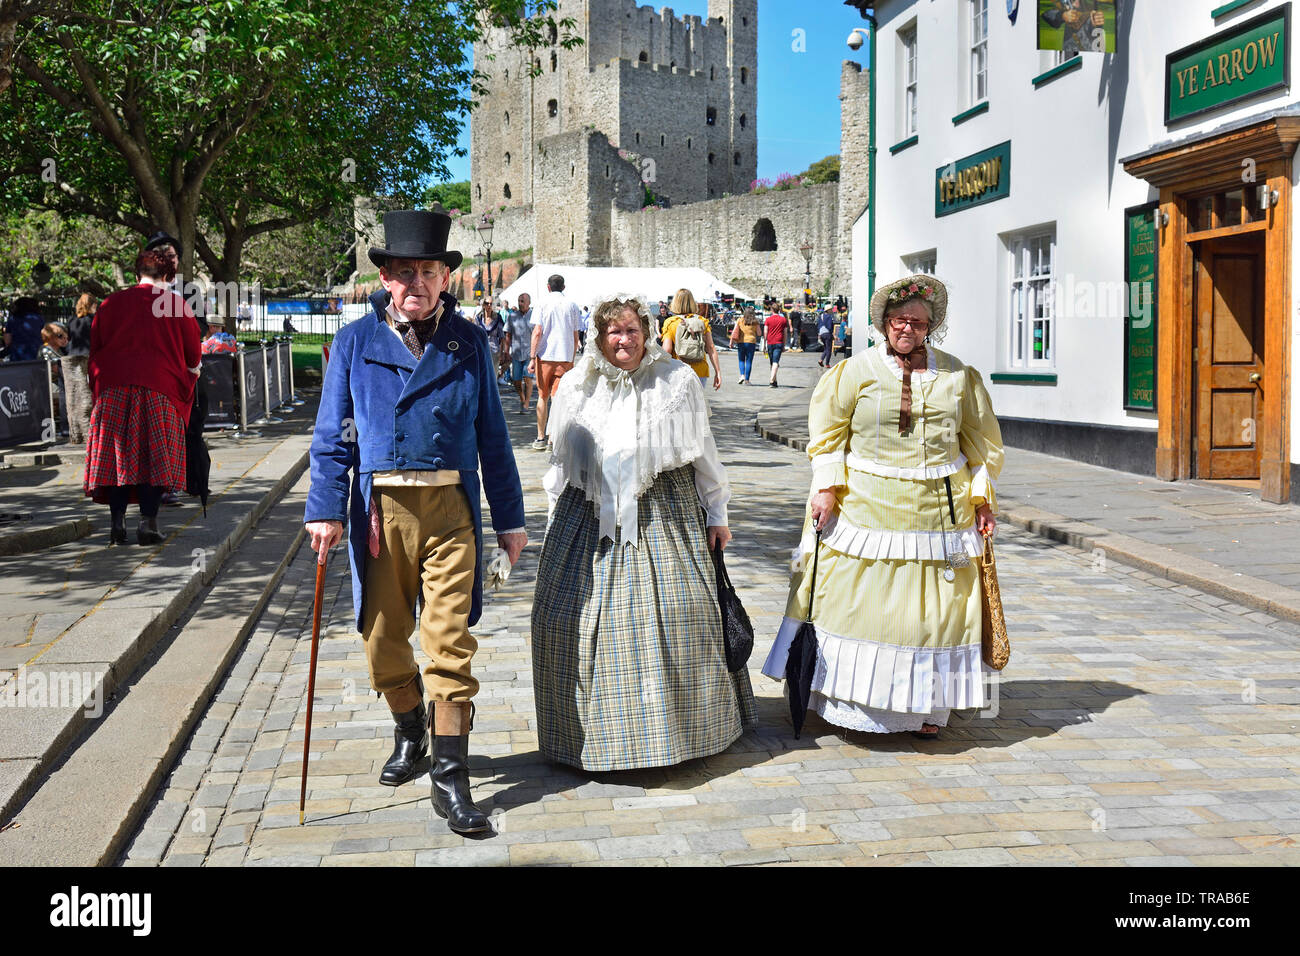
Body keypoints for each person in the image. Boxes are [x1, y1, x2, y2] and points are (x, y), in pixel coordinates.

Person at [303, 209, 526, 835]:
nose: (419, 283)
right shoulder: (353, 343)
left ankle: (450, 779)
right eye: (407, 272)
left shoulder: (468, 342)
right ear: (387, 278)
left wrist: (508, 517)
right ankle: (410, 728)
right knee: (381, 642)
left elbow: (493, 436)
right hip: (380, 512)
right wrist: (323, 508)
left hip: (452, 509)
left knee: (448, 644)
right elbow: (331, 440)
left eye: (430, 271)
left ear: (444, 277)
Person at [761, 274, 1004, 739]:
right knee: (865, 607)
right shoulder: (854, 372)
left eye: (915, 321)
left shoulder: (958, 376)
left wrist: (982, 499)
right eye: (897, 320)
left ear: (930, 326)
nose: (905, 329)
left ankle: (928, 709)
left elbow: (981, 442)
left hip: (940, 516)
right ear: (883, 324)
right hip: (866, 509)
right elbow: (828, 435)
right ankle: (860, 705)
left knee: (934, 614)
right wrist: (827, 488)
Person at [531, 295, 756, 771]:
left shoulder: (675, 382)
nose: (624, 339)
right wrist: (553, 521)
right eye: (614, 331)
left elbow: (703, 451)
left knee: (679, 614)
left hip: (663, 514)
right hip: (585, 516)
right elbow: (558, 465)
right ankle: (585, 737)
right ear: (597, 335)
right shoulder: (575, 386)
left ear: (647, 331)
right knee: (569, 620)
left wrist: (717, 512)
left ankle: (681, 733)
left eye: (632, 329)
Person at [84, 247, 201, 545]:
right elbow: (193, 357)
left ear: (137, 275)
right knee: (153, 459)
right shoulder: (175, 305)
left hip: (113, 391)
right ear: (166, 277)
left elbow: (94, 350)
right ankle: (148, 523)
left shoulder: (109, 304)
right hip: (159, 391)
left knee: (117, 459)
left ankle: (116, 523)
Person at [528, 274, 584, 451]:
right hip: (565, 357)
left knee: (542, 397)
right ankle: (553, 437)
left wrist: (531, 356)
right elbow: (576, 336)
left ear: (548, 287)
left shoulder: (542, 304)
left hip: (545, 355)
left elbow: (537, 331)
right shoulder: (573, 306)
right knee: (558, 399)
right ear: (564, 287)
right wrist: (572, 357)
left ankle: (540, 437)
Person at [661, 288, 721, 391]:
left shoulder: (670, 322)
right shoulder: (702, 321)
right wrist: (718, 372)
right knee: (696, 405)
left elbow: (667, 350)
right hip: (700, 371)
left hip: (678, 370)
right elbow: (711, 348)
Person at [64, 294, 94, 444]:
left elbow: (70, 339)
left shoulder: (71, 320)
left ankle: (76, 431)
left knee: (74, 394)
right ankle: (88, 430)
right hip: (88, 357)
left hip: (72, 358)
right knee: (88, 394)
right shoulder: (92, 320)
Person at [503, 292, 534, 415]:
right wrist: (506, 351)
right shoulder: (512, 316)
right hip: (516, 352)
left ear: (529, 302)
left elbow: (539, 334)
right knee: (516, 380)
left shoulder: (534, 316)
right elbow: (508, 335)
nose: (520, 303)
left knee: (527, 378)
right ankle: (522, 398)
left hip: (529, 353)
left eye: (522, 301)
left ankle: (526, 403)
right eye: (519, 301)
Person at [39, 322, 69, 438]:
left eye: (66, 337)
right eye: (60, 336)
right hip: (50, 385)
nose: (65, 339)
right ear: (50, 336)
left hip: (59, 383)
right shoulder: (46, 350)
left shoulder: (60, 350)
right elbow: (57, 370)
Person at [4, 297, 44, 362]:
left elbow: (7, 341)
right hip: (37, 355)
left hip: (17, 356)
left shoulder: (12, 319)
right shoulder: (39, 318)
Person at [729, 305, 761, 385]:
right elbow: (759, 333)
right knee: (749, 361)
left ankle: (742, 375)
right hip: (751, 342)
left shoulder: (740, 320)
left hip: (741, 342)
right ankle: (747, 380)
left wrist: (731, 341)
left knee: (741, 360)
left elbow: (734, 331)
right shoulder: (755, 321)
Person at [763, 303, 789, 388]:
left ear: (771, 310)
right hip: (779, 342)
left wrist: (764, 344)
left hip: (770, 343)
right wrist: (784, 345)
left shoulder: (768, 320)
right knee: (775, 362)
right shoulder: (783, 320)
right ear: (779, 310)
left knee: (773, 362)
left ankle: (773, 381)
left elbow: (765, 332)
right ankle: (773, 380)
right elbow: (785, 333)